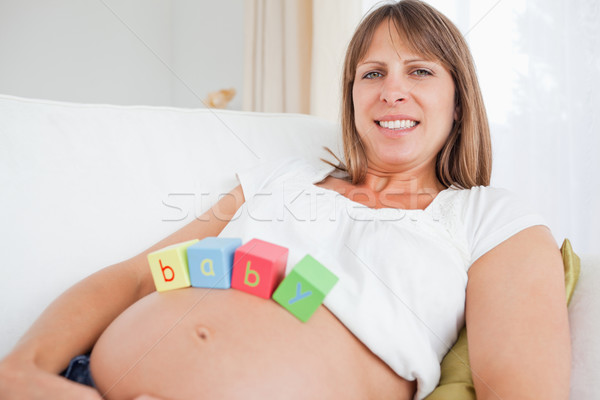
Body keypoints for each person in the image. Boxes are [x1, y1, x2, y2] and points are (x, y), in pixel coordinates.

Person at [0, 1, 571, 399]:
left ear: (459, 100)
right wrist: (22, 373)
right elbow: (138, 279)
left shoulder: (491, 219)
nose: (392, 89)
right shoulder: (283, 179)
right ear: (351, 97)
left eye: (420, 71)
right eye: (372, 73)